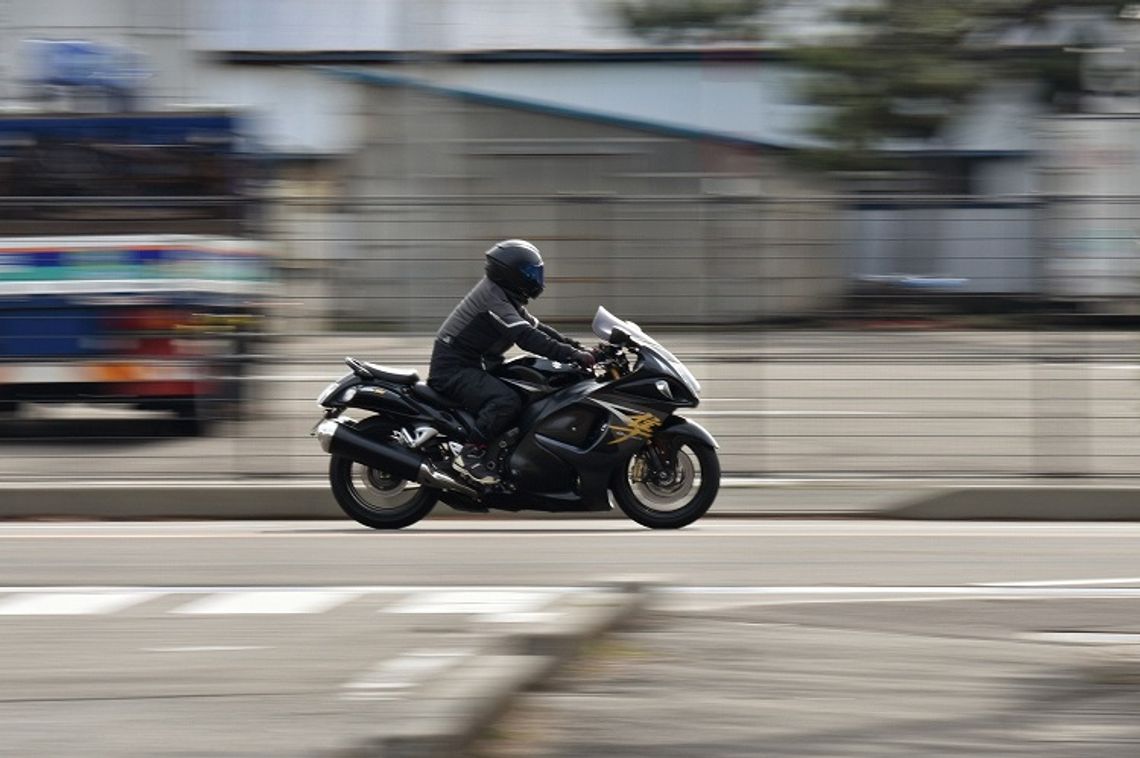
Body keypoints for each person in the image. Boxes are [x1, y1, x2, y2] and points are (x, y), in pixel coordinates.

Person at [428, 239, 595, 485]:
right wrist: (571, 355)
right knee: (506, 400)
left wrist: (578, 348)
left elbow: (538, 329)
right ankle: (470, 454)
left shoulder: (506, 297)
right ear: (511, 274)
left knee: (527, 384)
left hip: (474, 364)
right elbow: (526, 337)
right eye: (530, 273)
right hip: (454, 368)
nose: (535, 278)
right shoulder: (492, 298)